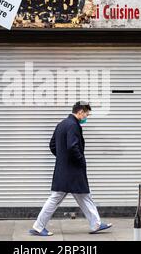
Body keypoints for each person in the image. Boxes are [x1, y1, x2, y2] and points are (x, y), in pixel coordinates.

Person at [29, 101, 112, 236]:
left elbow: (52, 145)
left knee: (84, 196)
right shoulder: (74, 125)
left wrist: (62, 158)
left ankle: (96, 224)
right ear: (80, 112)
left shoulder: (61, 124)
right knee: (58, 197)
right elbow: (73, 147)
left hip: (65, 169)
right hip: (73, 169)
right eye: (86, 114)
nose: (87, 117)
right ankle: (38, 226)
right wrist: (81, 161)